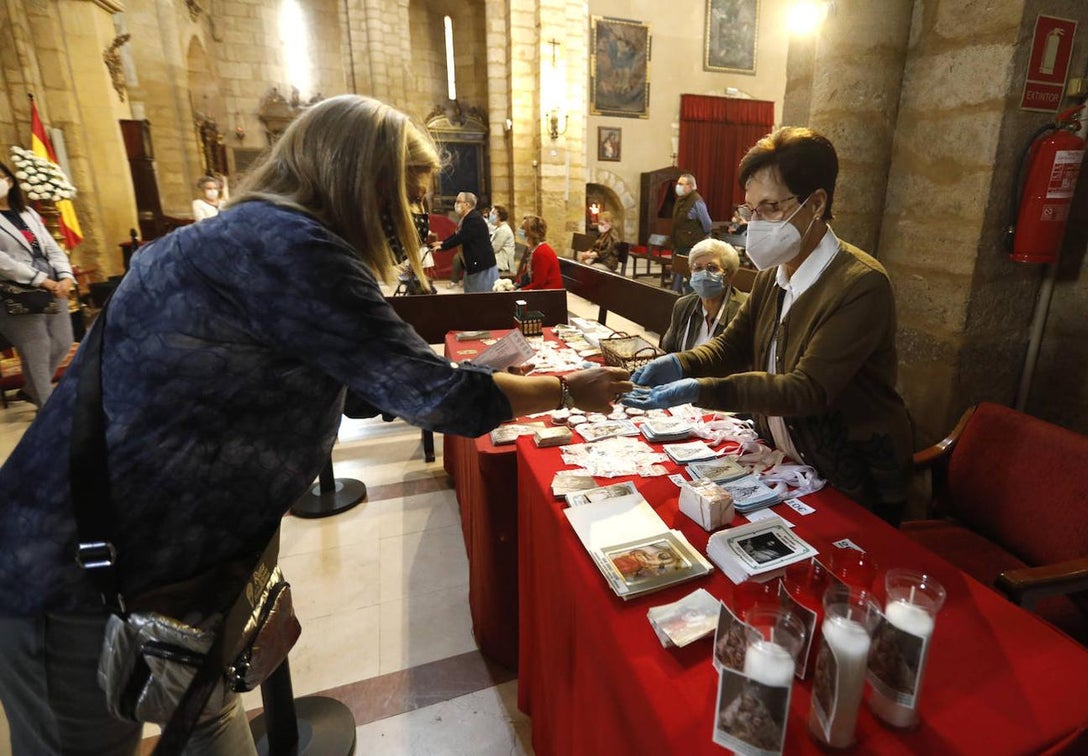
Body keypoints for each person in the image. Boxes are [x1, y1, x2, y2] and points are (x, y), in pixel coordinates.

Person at [0, 95, 631, 755]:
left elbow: (323, 379)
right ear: (359, 185)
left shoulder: (240, 235)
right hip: (73, 569)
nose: (414, 220)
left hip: (170, 574)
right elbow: (440, 396)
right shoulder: (291, 247)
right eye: (405, 200)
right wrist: (565, 389)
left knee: (207, 723)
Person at [624, 127, 912, 526]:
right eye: (750, 209)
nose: (755, 223)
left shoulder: (860, 284)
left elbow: (806, 389)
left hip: (851, 475)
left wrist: (700, 389)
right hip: (786, 456)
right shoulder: (770, 276)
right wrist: (680, 364)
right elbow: (732, 347)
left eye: (770, 208)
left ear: (815, 203)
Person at [0, 160, 76, 409]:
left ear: (10, 181)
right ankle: (48, 410)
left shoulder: (28, 212)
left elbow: (51, 248)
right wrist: (41, 281)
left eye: (2, 177)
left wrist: (65, 276)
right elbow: (4, 262)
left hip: (53, 282)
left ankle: (30, 390)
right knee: (37, 348)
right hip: (16, 289)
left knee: (63, 340)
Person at [660, 238, 747, 352]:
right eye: (698, 268)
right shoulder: (684, 305)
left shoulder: (743, 311)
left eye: (712, 268)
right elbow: (668, 350)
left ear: (729, 275)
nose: (704, 274)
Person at [433, 191, 498, 292]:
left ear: (467, 204)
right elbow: (457, 234)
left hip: (481, 265)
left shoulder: (474, 219)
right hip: (472, 263)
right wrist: (442, 243)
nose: (456, 204)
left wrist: (442, 247)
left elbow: (461, 237)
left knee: (480, 296)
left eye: (458, 201)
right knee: (470, 293)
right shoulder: (467, 218)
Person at [670, 173, 712, 292]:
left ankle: (690, 297)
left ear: (689, 186)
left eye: (680, 184)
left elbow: (707, 223)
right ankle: (674, 295)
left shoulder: (696, 200)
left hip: (692, 243)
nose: (677, 186)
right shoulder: (681, 200)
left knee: (689, 274)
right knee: (678, 271)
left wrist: (697, 237)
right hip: (680, 243)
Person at [515, 214, 562, 290]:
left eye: (523, 228)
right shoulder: (532, 248)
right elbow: (525, 273)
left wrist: (520, 291)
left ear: (531, 232)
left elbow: (539, 284)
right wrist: (515, 285)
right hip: (538, 290)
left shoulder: (541, 252)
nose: (519, 230)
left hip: (549, 293)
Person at [489, 204, 516, 273]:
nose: (491, 215)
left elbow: (494, 249)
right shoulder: (499, 228)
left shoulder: (503, 230)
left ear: (499, 216)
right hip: (498, 260)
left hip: (503, 264)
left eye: (493, 213)